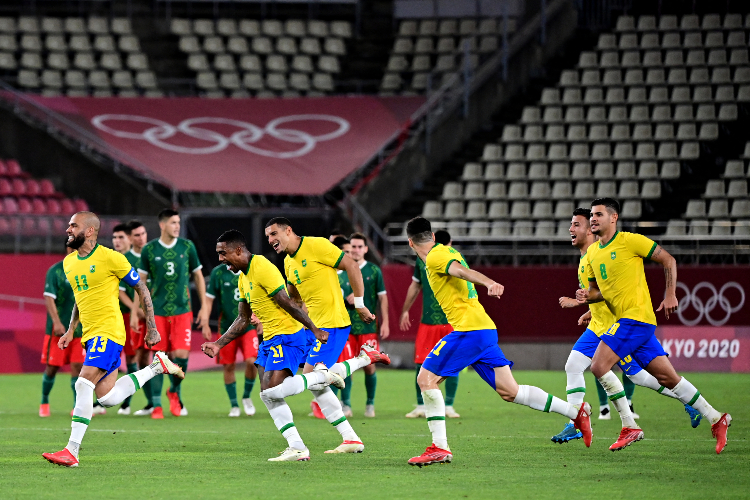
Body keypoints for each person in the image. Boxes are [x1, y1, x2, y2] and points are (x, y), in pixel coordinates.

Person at [405, 216, 591, 467]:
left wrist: (490, 282)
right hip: (485, 331)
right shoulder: (445, 251)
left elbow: (461, 271)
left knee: (425, 379)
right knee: (510, 391)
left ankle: (439, 447)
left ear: (410, 243)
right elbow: (456, 268)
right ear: (433, 236)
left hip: (468, 330)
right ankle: (575, 412)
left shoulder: (438, 257)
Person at [201, 230, 390, 461]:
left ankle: (330, 376)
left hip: (287, 336)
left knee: (276, 390)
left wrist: (314, 329)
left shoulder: (262, 267)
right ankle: (335, 439)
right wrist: (219, 344)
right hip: (270, 340)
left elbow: (288, 303)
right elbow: (242, 318)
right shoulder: (243, 277)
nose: (220, 259)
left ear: (238, 250)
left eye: (223, 253)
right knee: (269, 395)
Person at [576, 198, 731, 453]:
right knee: (668, 378)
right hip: (629, 323)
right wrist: (586, 299)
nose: (593, 219)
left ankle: (629, 425)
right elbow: (598, 292)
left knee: (598, 365)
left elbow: (668, 260)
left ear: (613, 218)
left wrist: (670, 294)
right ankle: (716, 417)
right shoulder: (592, 253)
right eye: (592, 215)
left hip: (636, 318)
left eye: (599, 214)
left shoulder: (630, 240)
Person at [42, 212, 184, 467]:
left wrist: (151, 326)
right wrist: (71, 329)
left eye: (73, 225)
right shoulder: (69, 263)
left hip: (108, 331)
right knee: (107, 397)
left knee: (83, 384)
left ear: (89, 231)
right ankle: (156, 367)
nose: (67, 229)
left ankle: (71, 451)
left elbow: (141, 287)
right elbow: (79, 298)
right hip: (90, 335)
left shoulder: (110, 258)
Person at [551, 208, 702, 444]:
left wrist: (579, 302)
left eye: (575, 225)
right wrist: (590, 310)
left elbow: (611, 291)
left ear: (590, 230)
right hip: (598, 327)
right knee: (573, 366)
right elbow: (603, 293)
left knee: (642, 377)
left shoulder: (599, 253)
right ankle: (576, 422)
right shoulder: (585, 258)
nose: (571, 229)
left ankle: (685, 401)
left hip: (616, 326)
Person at [265, 217, 389, 453]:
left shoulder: (317, 245)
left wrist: (360, 305)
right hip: (315, 328)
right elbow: (296, 298)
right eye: (268, 237)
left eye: (273, 234)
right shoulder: (289, 263)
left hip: (333, 323)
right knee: (317, 383)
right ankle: (350, 438)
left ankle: (364, 359)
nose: (270, 240)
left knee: (311, 377)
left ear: (288, 230)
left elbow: (351, 265)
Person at [138, 209, 210, 418]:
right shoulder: (149, 250)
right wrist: (137, 311)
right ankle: (157, 405)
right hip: (157, 312)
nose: (177, 226)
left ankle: (174, 392)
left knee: (181, 356)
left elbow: (198, 276)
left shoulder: (187, 247)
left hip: (182, 310)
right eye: (173, 222)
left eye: (178, 222)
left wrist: (204, 306)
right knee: (159, 357)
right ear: (162, 225)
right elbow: (140, 283)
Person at [399, 229, 460, 419]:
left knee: (452, 363)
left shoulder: (456, 259)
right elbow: (415, 285)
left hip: (451, 320)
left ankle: (448, 405)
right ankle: (421, 405)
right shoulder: (422, 260)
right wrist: (405, 310)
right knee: (421, 362)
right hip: (429, 321)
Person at [335, 232, 389, 418]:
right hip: (346, 328)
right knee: (345, 367)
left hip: (367, 328)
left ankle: (370, 404)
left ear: (366, 249)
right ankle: (346, 404)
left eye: (359, 247)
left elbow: (382, 298)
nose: (356, 250)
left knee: (369, 366)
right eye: (353, 247)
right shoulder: (341, 273)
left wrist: (386, 322)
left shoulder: (373, 271)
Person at [202, 261, 259, 417]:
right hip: (226, 328)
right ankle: (234, 405)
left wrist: (259, 319)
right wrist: (205, 322)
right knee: (228, 366)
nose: (222, 256)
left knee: (252, 361)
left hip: (247, 327)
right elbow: (209, 300)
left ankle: (246, 396)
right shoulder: (218, 273)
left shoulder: (250, 270)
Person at [40, 244, 85, 417]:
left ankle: (76, 407)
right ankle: (44, 400)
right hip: (58, 330)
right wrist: (57, 322)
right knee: (52, 368)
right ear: (66, 249)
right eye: (71, 248)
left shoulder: (87, 271)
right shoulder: (56, 271)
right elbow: (49, 298)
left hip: (80, 330)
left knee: (78, 366)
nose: (74, 251)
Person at [123, 220, 156, 416]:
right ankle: (130, 402)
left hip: (154, 315)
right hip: (132, 315)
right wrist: (135, 311)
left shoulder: (153, 255)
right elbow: (121, 291)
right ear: (131, 238)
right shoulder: (125, 259)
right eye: (137, 235)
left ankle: (155, 401)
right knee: (133, 357)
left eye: (143, 233)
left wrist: (148, 311)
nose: (141, 238)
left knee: (149, 356)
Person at [111, 223, 142, 415]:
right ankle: (103, 399)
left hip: (128, 314)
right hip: (111, 315)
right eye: (115, 238)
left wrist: (135, 310)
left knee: (131, 357)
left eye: (121, 237)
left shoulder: (134, 260)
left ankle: (126, 402)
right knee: (109, 357)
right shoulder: (110, 259)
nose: (117, 241)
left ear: (129, 239)